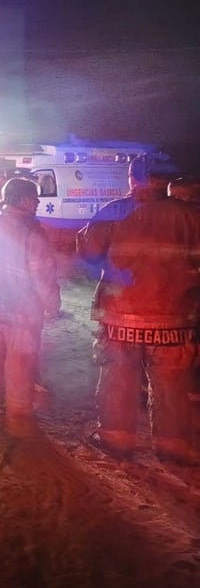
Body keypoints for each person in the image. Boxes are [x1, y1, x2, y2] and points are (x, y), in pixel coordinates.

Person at [77, 156, 200, 464]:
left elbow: (90, 255)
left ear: (134, 178)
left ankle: (116, 441)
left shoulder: (115, 211)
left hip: (120, 315)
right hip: (173, 318)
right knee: (172, 385)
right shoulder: (190, 216)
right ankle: (174, 448)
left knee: (118, 379)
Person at [0, 177, 61, 436]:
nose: (38, 202)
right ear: (22, 200)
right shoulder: (32, 233)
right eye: (35, 198)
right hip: (22, 315)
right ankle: (18, 420)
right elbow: (43, 277)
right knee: (20, 366)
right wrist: (52, 307)